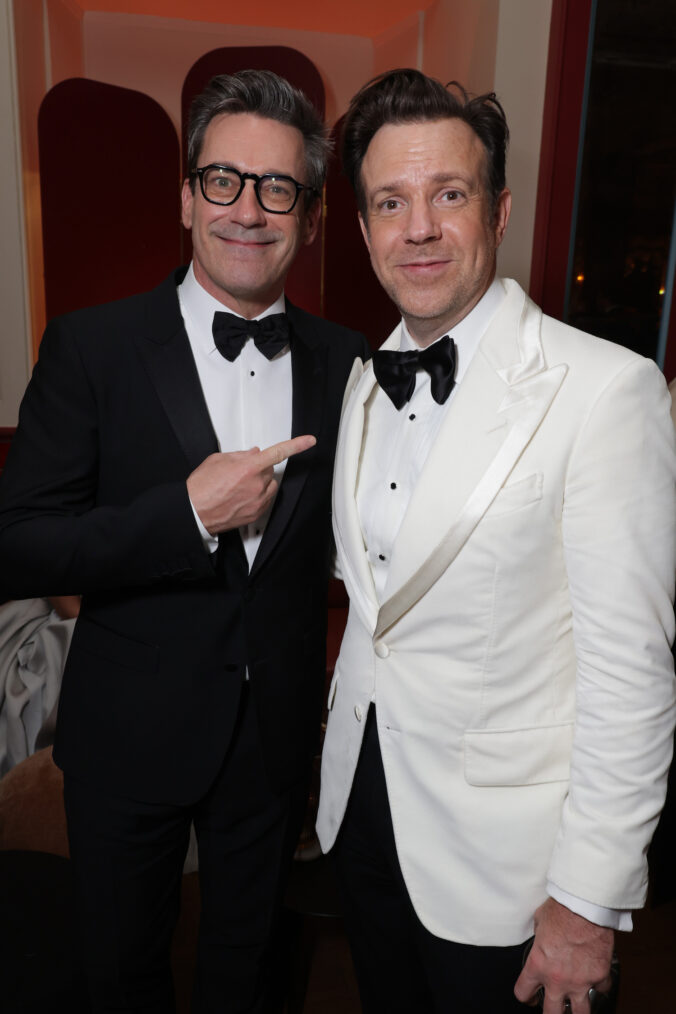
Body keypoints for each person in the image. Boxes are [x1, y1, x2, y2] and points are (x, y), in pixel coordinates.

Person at [0, 69, 368, 1013]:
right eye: (223, 180)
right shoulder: (91, 346)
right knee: (121, 975)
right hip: (129, 737)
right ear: (185, 197)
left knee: (244, 976)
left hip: (275, 743)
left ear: (311, 217)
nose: (248, 209)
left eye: (278, 186)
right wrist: (187, 516)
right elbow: (24, 544)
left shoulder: (348, 364)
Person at [316, 68, 676, 1014]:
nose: (419, 228)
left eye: (449, 195)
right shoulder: (363, 383)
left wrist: (588, 900)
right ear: (363, 229)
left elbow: (630, 672)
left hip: (515, 875)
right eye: (391, 202)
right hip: (364, 818)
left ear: (499, 210)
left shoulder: (604, 390)